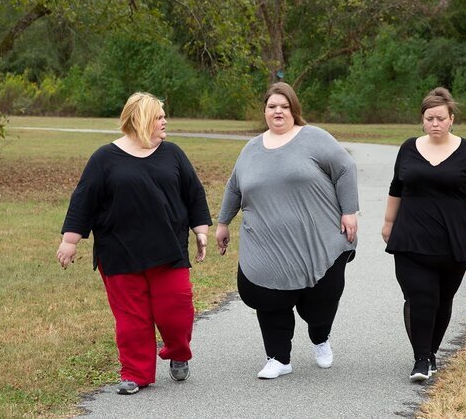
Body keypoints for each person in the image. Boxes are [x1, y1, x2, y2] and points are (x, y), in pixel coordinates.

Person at [56, 92, 211, 395]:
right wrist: (70, 241)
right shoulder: (104, 158)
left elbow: (194, 193)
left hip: (168, 251)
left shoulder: (173, 154)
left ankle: (177, 350)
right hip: (119, 253)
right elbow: (83, 200)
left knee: (176, 311)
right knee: (131, 318)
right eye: (158, 116)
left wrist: (200, 231)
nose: (165, 121)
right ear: (140, 120)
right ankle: (135, 373)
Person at [215, 82, 358, 379]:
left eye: (284, 106)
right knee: (268, 298)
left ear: (294, 109)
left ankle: (320, 339)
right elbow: (234, 186)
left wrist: (349, 211)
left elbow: (345, 168)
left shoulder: (314, 138)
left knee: (321, 303)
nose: (277, 111)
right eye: (271, 106)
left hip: (318, 242)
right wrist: (223, 222)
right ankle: (278, 358)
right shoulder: (251, 148)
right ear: (264, 111)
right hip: (266, 245)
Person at [381, 87, 466, 382]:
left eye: (441, 118)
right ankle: (421, 359)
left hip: (453, 240)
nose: (435, 124)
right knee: (421, 298)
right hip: (410, 238)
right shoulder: (408, 148)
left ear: (451, 119)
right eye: (430, 118)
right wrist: (388, 223)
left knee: (442, 300)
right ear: (422, 120)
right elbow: (396, 188)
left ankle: (430, 352)